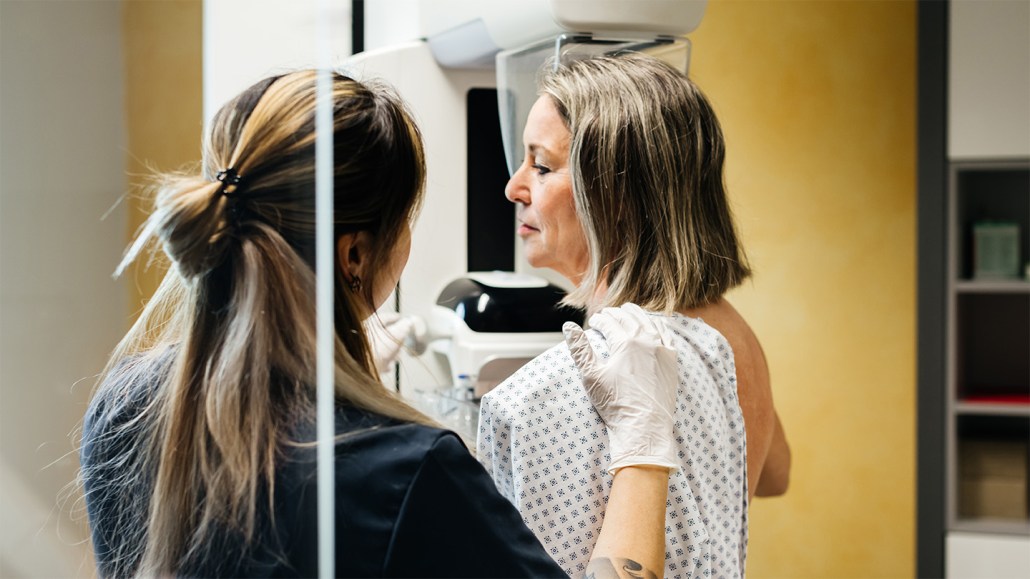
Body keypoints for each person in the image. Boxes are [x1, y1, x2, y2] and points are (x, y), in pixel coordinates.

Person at [79, 70, 681, 578]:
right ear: (356, 255)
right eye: (407, 219)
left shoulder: (121, 407)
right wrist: (644, 447)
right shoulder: (409, 470)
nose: (515, 186)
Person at [477, 52, 792, 578]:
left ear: (616, 196)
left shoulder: (556, 389)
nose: (514, 187)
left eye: (543, 165)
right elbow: (772, 473)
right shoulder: (730, 333)